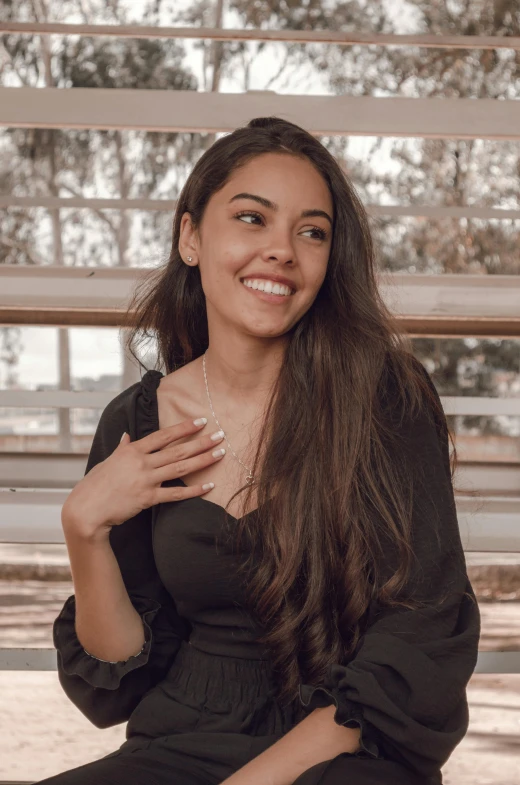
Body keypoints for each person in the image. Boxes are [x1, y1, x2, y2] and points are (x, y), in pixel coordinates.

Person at [36, 116, 480, 785]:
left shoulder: (386, 398)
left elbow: (424, 631)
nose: (282, 250)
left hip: (342, 752)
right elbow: (117, 685)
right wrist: (84, 530)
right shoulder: (136, 421)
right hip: (178, 741)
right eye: (252, 218)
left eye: (311, 231)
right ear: (191, 236)